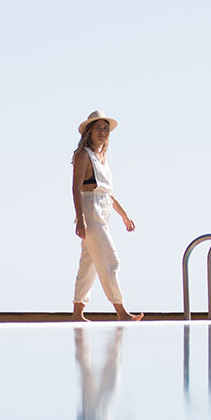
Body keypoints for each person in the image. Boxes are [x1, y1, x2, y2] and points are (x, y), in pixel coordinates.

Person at [71, 110, 142, 322]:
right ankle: (121, 311)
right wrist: (81, 218)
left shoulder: (101, 157)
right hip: (90, 211)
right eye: (98, 128)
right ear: (89, 131)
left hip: (103, 211)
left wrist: (124, 215)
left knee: (89, 263)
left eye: (105, 128)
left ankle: (77, 313)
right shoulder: (83, 155)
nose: (102, 132)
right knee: (110, 259)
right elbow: (76, 188)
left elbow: (107, 192)